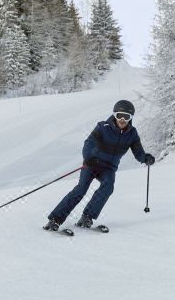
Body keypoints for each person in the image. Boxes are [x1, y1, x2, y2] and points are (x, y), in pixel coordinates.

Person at [43, 99, 155, 231]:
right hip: (92, 164)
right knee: (81, 189)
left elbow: (138, 152)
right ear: (114, 115)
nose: (122, 119)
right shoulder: (103, 127)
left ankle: (87, 217)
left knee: (108, 187)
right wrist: (89, 158)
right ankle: (55, 219)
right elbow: (88, 143)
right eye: (120, 115)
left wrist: (146, 158)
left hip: (109, 168)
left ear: (131, 118)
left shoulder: (132, 134)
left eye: (127, 117)